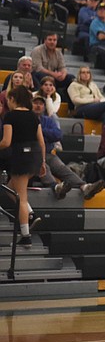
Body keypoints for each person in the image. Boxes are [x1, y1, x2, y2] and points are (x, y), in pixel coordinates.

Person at [1, 85, 47, 247]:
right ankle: (31, 214)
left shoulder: (10, 116)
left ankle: (26, 235)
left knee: (20, 196)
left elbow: (6, 142)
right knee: (10, 188)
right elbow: (41, 141)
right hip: (34, 155)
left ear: (13, 99)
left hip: (20, 155)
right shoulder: (34, 116)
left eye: (9, 100)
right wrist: (42, 162)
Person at [30, 32, 74, 98]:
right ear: (45, 40)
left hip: (53, 77)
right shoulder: (37, 50)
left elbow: (62, 67)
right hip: (38, 76)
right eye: (50, 40)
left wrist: (63, 74)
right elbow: (38, 68)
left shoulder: (58, 52)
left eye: (54, 40)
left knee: (71, 78)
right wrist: (54, 74)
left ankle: (68, 100)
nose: (52, 42)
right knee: (42, 75)